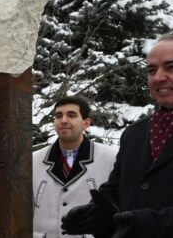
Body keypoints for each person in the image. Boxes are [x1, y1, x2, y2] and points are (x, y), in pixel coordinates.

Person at [62, 31, 173, 237]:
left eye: (172, 67)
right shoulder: (136, 133)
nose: (158, 77)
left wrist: (146, 225)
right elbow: (116, 190)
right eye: (151, 70)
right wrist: (99, 214)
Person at [32, 96, 116, 238]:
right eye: (58, 116)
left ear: (86, 123)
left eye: (71, 115)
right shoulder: (33, 160)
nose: (63, 120)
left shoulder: (111, 158)